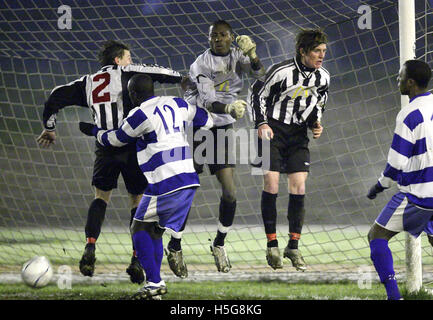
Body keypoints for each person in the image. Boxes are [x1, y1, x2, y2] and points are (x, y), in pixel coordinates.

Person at [36, 40, 188, 284]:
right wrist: (181, 78)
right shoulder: (127, 72)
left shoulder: (87, 82)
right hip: (131, 145)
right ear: (118, 60)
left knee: (100, 197)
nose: (131, 61)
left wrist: (50, 127)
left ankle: (90, 246)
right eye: (128, 57)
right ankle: (137, 260)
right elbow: (159, 73)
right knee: (137, 202)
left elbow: (55, 96)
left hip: (105, 148)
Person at [79, 74, 214, 300]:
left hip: (165, 181)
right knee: (153, 232)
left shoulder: (139, 114)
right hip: (187, 177)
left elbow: (115, 139)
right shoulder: (177, 103)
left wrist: (94, 131)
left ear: (132, 95)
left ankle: (154, 282)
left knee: (139, 229)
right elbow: (207, 120)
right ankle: (157, 282)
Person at [164, 19, 265, 276]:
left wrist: (253, 55)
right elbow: (208, 101)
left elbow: (260, 75)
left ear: (231, 37)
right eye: (213, 36)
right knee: (188, 188)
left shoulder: (238, 55)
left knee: (230, 193)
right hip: (198, 125)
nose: (217, 39)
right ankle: (174, 245)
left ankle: (219, 244)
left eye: (222, 35)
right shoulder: (200, 63)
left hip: (222, 129)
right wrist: (230, 108)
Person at [250, 29, 329, 271]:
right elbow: (257, 93)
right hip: (272, 130)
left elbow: (319, 104)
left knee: (299, 186)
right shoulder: (281, 71)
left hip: (297, 135)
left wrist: (316, 124)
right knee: (271, 184)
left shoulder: (323, 77)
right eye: (317, 51)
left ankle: (293, 246)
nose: (321, 56)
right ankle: (271, 244)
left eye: (324, 51)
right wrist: (261, 123)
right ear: (303, 51)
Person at [366, 59, 433, 300]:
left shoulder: (409, 115)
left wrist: (379, 185)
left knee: (376, 235)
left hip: (419, 194)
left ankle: (394, 297)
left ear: (411, 82)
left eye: (400, 76)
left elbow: (396, 164)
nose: (398, 80)